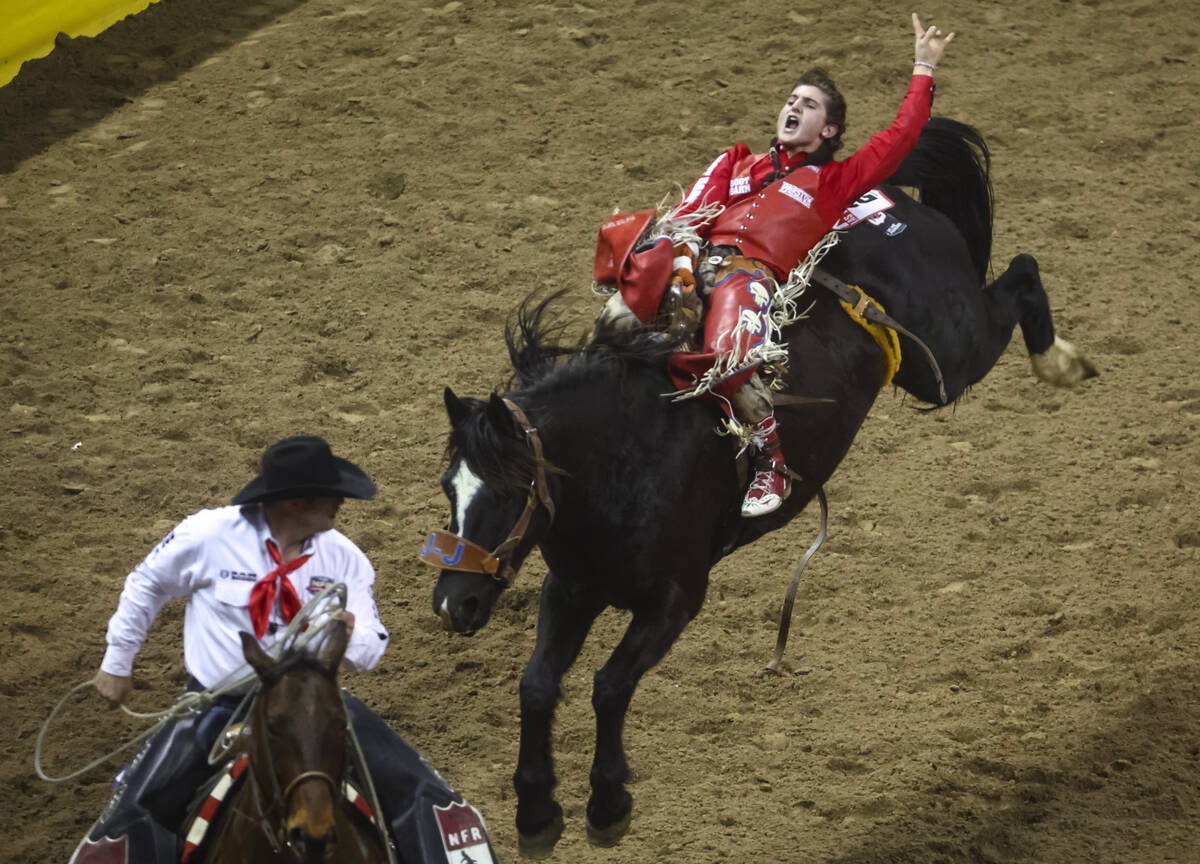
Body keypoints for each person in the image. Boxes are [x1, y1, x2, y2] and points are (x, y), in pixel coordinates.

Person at [594, 14, 955, 518]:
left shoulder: (837, 180)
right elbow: (690, 215)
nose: (793, 108)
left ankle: (772, 462)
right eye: (791, 100)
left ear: (828, 129)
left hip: (752, 276)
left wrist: (923, 66)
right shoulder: (737, 162)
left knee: (731, 356)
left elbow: (900, 135)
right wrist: (679, 266)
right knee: (614, 314)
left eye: (808, 105)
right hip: (694, 263)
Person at [72, 435, 497, 864]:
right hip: (218, 703)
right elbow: (146, 584)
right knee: (135, 810)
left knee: (423, 792)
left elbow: (371, 650)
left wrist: (351, 636)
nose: (341, 504)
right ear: (295, 503)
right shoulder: (208, 535)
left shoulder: (345, 559)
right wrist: (117, 662)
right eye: (331, 496)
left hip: (315, 703)